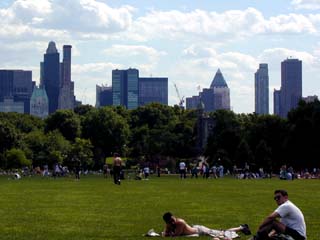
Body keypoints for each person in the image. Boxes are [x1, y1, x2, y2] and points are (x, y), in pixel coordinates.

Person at [162, 212, 251, 239]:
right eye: (170, 221)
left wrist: (168, 233)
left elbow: (176, 235)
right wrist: (167, 232)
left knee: (222, 233)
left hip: (200, 230)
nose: (172, 222)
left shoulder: (180, 222)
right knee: (221, 233)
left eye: (172, 220)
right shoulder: (169, 224)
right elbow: (166, 234)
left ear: (174, 217)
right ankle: (241, 228)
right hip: (197, 229)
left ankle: (242, 227)